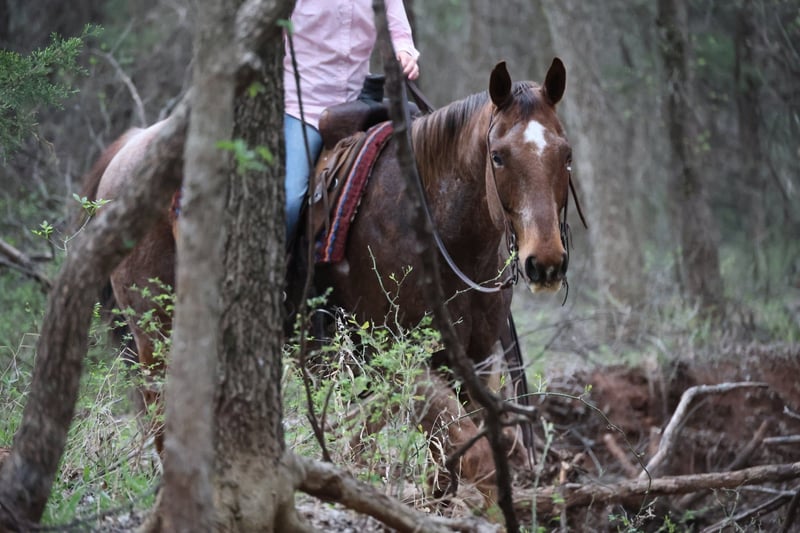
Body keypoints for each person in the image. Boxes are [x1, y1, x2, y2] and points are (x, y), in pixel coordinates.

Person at [283, 0, 420, 244]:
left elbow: (398, 32)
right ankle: (276, 265)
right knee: (290, 201)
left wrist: (405, 54)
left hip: (358, 108)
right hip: (303, 108)